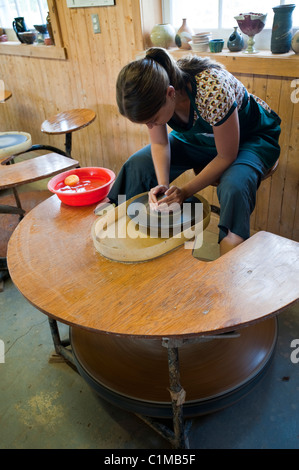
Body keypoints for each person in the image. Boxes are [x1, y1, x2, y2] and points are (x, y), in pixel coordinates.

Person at [108, 47, 281, 255]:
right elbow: (160, 144)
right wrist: (164, 186)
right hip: (200, 138)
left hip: (248, 138)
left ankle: (230, 252)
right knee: (139, 165)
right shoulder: (158, 94)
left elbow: (226, 155)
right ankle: (116, 222)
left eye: (153, 120)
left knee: (234, 185)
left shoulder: (212, 90)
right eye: (146, 123)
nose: (151, 125)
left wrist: (185, 191)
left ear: (170, 93)